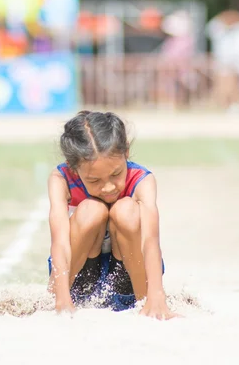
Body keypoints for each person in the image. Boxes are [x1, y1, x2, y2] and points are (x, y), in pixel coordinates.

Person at [47, 110, 178, 320]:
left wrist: (157, 294)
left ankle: (145, 302)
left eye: (116, 174)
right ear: (73, 169)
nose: (108, 187)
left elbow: (150, 241)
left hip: (127, 280)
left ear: (126, 152)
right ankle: (63, 298)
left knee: (125, 210)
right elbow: (60, 243)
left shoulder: (143, 181)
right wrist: (61, 299)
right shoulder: (61, 180)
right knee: (92, 210)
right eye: (94, 181)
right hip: (79, 284)